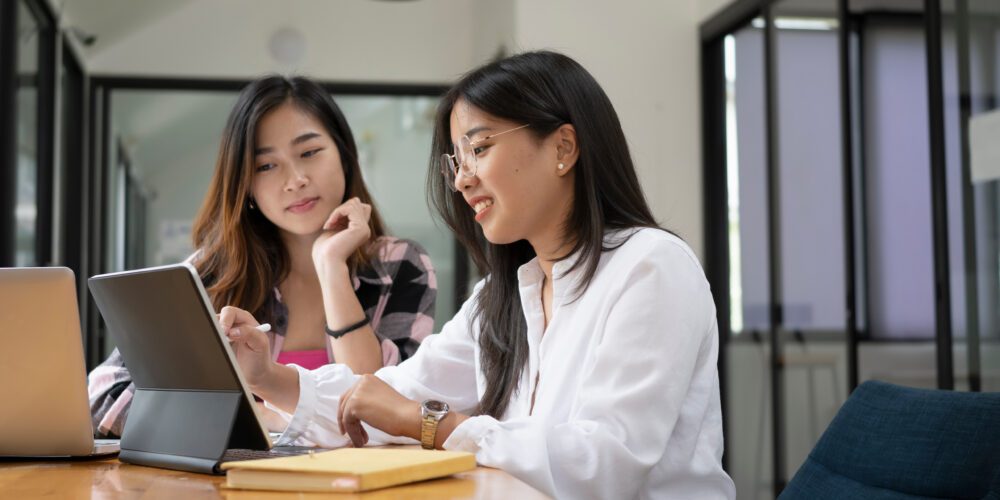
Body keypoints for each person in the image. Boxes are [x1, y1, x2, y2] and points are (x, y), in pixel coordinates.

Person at [221, 52, 735, 499]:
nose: (463, 179)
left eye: (480, 148)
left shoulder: (651, 267)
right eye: (457, 159)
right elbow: (392, 395)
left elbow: (602, 468)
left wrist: (431, 425)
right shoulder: (504, 293)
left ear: (563, 148)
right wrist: (267, 376)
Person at [87, 75, 437, 437]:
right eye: (266, 166)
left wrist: (331, 266)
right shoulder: (212, 274)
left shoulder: (402, 266)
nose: (295, 179)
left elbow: (389, 411)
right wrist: (261, 420)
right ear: (246, 186)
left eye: (309, 152)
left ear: (345, 156)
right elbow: (103, 396)